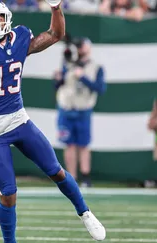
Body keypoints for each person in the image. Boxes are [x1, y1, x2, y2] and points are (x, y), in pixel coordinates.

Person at [0, 0, 106, 243]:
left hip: (19, 120)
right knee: (8, 194)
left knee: (57, 171)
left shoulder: (20, 37)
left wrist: (55, 7)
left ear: (6, 18)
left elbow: (55, 35)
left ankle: (85, 212)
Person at [54, 37, 107, 187]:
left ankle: (85, 176)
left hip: (83, 110)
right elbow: (58, 85)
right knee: (68, 144)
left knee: (83, 145)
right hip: (66, 108)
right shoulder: (67, 64)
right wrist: (58, 78)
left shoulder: (96, 67)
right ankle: (71, 178)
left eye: (82, 46)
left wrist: (83, 77)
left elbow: (100, 88)